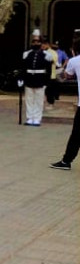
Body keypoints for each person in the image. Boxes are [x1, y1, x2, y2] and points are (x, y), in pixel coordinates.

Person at [49, 40, 80, 170]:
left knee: (76, 135)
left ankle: (66, 161)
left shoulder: (74, 61)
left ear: (73, 50)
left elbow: (64, 76)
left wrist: (64, 67)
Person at [22, 37, 50, 126]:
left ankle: (37, 118)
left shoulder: (46, 54)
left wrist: (46, 82)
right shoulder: (27, 54)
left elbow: (48, 70)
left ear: (41, 44)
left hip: (40, 79)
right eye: (34, 42)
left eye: (38, 42)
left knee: (39, 100)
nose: (36, 43)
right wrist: (22, 79)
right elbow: (23, 68)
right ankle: (30, 117)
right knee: (29, 100)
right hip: (29, 79)